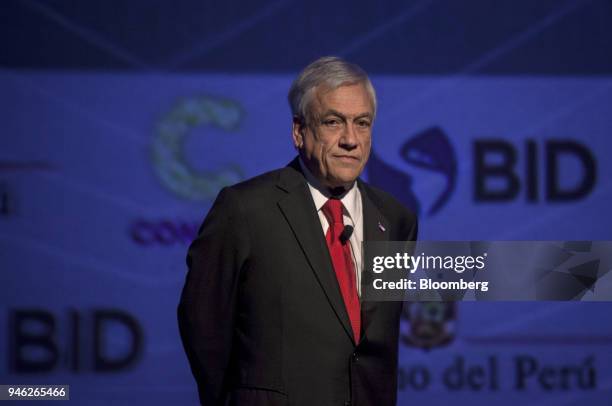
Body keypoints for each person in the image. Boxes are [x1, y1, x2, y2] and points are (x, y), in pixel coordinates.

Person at [178, 56, 418, 406]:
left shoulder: (396, 219)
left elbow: (373, 342)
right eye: (333, 122)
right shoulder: (245, 209)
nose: (351, 139)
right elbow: (203, 326)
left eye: (362, 123)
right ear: (299, 131)